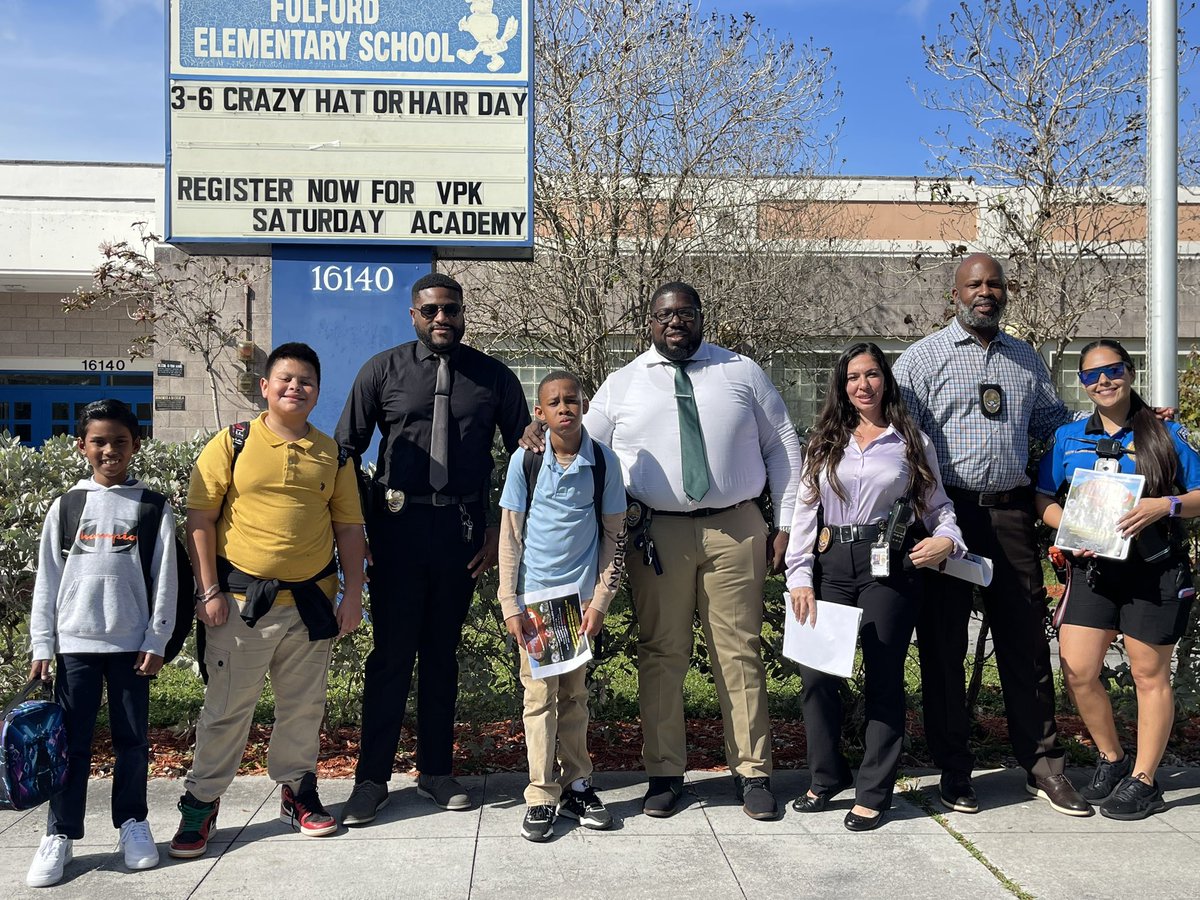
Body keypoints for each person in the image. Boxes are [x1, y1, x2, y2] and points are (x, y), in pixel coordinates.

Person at [526, 281, 803, 820]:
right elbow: (581, 440)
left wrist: (785, 524)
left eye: (685, 313)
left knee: (740, 652)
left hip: (737, 527)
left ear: (701, 317)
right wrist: (538, 430)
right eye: (664, 316)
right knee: (660, 653)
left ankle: (752, 772)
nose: (675, 323)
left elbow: (782, 445)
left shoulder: (741, 372)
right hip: (658, 535)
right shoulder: (623, 383)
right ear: (648, 323)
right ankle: (665, 774)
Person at [892, 252, 1090, 816]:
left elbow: (1055, 430)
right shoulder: (921, 360)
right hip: (946, 519)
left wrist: (1129, 421)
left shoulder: (1026, 359)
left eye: (995, 284)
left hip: (1009, 516)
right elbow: (898, 440)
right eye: (974, 283)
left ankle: (1044, 767)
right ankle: (955, 772)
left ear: (1006, 292)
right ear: (954, 293)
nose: (986, 292)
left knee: (1026, 643)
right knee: (944, 645)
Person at [337, 272, 530, 823]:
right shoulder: (383, 370)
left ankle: (436, 772)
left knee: (441, 657)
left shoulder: (492, 376)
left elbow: (524, 455)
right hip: (395, 532)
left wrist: (499, 529)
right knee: (392, 657)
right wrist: (357, 530)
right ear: (414, 315)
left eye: (450, 309)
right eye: (431, 310)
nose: (441, 319)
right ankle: (371, 780)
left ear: (463, 312)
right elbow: (345, 448)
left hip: (463, 535)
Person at [170, 342, 365, 857]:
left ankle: (298, 791)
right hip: (238, 604)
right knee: (226, 710)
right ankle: (201, 803)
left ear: (318, 392)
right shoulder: (232, 442)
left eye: (305, 381)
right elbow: (200, 519)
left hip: (311, 604)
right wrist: (208, 591)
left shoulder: (334, 453)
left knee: (303, 709)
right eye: (285, 379)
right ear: (265, 386)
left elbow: (348, 528)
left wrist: (352, 595)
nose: (294, 387)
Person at [786, 343, 964, 831]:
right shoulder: (824, 440)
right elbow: (804, 511)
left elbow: (939, 507)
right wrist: (799, 574)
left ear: (885, 379)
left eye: (871, 375)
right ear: (841, 386)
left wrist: (947, 540)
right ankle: (826, 777)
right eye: (852, 378)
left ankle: (874, 791)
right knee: (818, 676)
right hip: (830, 562)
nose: (862, 385)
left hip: (889, 565)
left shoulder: (910, 441)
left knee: (884, 673)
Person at [1036, 339, 1200, 820]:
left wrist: (1163, 505)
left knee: (1149, 674)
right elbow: (1042, 496)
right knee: (1078, 668)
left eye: (1112, 370)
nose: (1103, 381)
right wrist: (1067, 526)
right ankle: (1113, 757)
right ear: (1082, 384)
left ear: (1129, 373)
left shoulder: (1166, 432)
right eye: (1091, 375)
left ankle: (1145, 780)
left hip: (1154, 571)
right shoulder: (1068, 437)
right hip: (1094, 569)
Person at [26, 399, 178, 887]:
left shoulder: (152, 506)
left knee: (133, 742)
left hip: (132, 646)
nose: (109, 449)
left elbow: (167, 578)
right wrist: (42, 644)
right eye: (99, 441)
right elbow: (48, 579)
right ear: (82, 447)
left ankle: (133, 823)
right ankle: (61, 834)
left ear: (136, 445)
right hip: (75, 646)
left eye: (119, 440)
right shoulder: (66, 505)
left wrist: (157, 639)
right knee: (70, 743)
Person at [498, 370, 627, 841]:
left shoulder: (605, 463)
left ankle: (577, 785)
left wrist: (601, 600)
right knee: (539, 699)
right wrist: (510, 603)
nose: (564, 409)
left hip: (578, 605)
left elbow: (615, 537)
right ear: (540, 412)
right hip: (536, 605)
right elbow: (510, 538)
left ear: (585, 404)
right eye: (554, 402)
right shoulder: (524, 462)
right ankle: (540, 793)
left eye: (571, 400)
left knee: (574, 699)